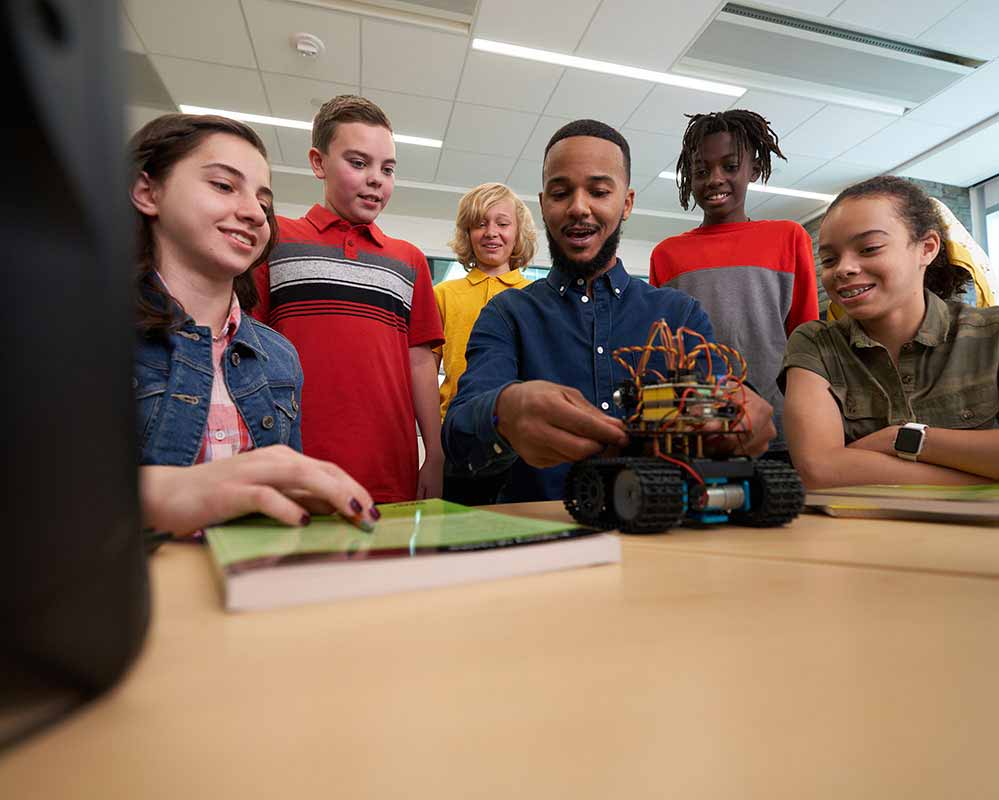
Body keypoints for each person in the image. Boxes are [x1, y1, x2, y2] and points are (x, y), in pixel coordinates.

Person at [443, 119, 777, 502]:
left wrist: (740, 415)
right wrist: (502, 413)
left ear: (627, 203)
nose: (578, 208)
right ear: (543, 205)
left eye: (599, 191)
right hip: (541, 539)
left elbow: (728, 398)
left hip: (660, 535)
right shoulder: (507, 314)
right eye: (560, 193)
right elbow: (458, 435)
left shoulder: (680, 316)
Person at [130, 113, 378, 533]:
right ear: (147, 191)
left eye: (264, 203)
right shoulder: (76, 333)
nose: (253, 213)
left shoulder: (279, 356)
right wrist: (165, 492)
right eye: (224, 186)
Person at [252, 96, 444, 503]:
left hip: (388, 465)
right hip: (294, 460)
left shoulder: (408, 260)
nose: (376, 178)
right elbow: (247, 350)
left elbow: (420, 360)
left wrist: (436, 454)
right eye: (359, 163)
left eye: (387, 169)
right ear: (318, 163)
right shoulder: (276, 239)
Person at [781, 175, 999, 488]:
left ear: (926, 248)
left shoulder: (991, 334)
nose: (843, 268)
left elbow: (833, 467)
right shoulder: (815, 343)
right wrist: (981, 479)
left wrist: (901, 439)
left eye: (869, 249)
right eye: (829, 259)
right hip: (856, 536)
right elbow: (818, 470)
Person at [649, 110, 818, 451]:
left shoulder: (788, 237)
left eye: (729, 166)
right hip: (697, 429)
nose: (714, 178)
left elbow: (807, 340)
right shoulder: (667, 255)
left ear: (753, 170)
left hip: (778, 428)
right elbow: (662, 354)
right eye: (701, 170)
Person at [434, 182, 537, 504]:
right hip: (457, 439)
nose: (491, 232)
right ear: (467, 233)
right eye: (480, 223)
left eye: (502, 223)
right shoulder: (443, 295)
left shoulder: (537, 298)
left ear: (518, 233)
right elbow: (424, 373)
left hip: (522, 441)